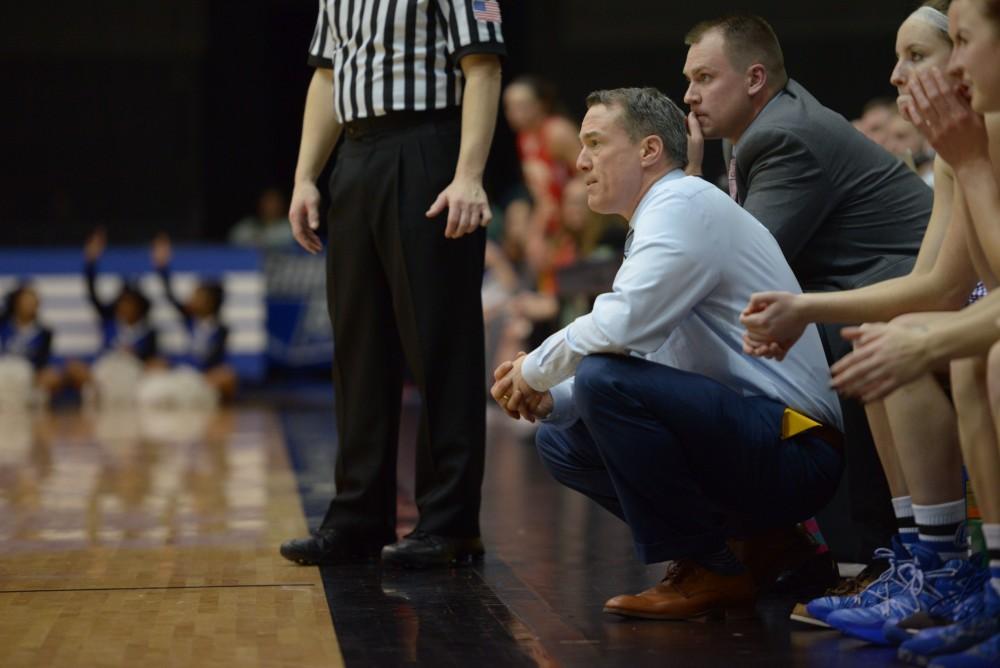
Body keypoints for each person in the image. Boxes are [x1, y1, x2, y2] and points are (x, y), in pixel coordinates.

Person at [490, 87, 843, 620]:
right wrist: (550, 401)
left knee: (605, 380)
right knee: (561, 440)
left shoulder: (682, 204)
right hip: (755, 434)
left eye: (594, 143)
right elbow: (646, 352)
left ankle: (709, 567)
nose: (579, 160)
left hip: (797, 444)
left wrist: (535, 368)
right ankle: (764, 543)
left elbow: (624, 322)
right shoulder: (662, 214)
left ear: (649, 150)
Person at [742, 1, 992, 646]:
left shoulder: (971, 144)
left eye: (925, 54)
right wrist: (804, 307)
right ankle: (927, 566)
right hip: (976, 305)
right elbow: (937, 283)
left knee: (960, 355)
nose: (897, 74)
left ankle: (976, 579)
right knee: (890, 339)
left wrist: (967, 163)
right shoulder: (958, 148)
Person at [683, 12, 935, 566]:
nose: (689, 96)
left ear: (753, 80)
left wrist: (682, 180)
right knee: (742, 341)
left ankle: (866, 555)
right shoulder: (752, 129)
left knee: (818, 343)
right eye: (689, 80)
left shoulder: (783, 134)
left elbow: (740, 267)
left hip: (911, 286)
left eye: (704, 78)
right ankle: (775, 536)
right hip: (855, 284)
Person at [279, 0, 505, 569]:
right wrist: (307, 176)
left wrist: (469, 175)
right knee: (358, 347)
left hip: (428, 146)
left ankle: (449, 522)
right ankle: (358, 517)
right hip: (355, 155)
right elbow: (327, 75)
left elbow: (483, 68)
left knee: (440, 342)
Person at [65, 228, 160, 391]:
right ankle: (99, 392)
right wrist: (91, 263)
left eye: (131, 303)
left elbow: (149, 361)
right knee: (73, 366)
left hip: (134, 377)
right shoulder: (108, 321)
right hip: (105, 374)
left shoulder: (149, 332)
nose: (125, 307)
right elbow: (93, 294)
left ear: (140, 307)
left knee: (158, 365)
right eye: (122, 302)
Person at [151, 234, 238, 402]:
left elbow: (211, 359)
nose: (192, 299)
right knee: (157, 364)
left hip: (205, 377)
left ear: (211, 302)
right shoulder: (190, 320)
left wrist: (200, 374)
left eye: (198, 296)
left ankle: (202, 398)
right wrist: (162, 267)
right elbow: (170, 296)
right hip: (185, 374)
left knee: (228, 375)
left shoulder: (221, 329)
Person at [0, 284, 61, 398]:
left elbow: (42, 361)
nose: (30, 305)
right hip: (4, 369)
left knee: (50, 376)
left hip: (28, 373)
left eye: (33, 302)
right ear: (17, 303)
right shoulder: (4, 324)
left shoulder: (45, 332)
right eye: (26, 301)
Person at [228, 187, 294, 249]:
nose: (270, 206)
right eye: (267, 201)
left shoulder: (289, 228)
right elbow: (232, 242)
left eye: (274, 202)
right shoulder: (247, 226)